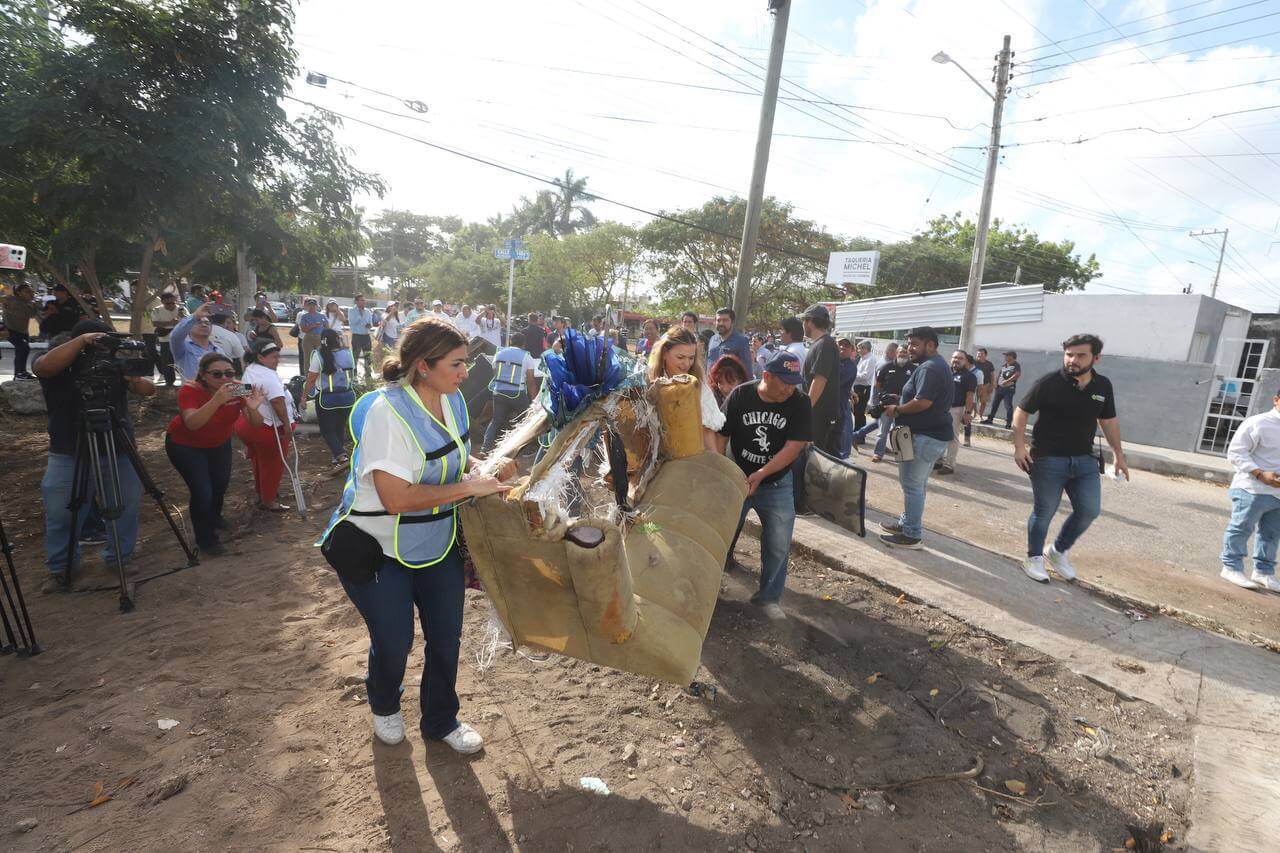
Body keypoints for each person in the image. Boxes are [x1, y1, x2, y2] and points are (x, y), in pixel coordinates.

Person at [321, 317, 517, 753]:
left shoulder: (455, 401)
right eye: (457, 364)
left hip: (437, 541)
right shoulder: (386, 414)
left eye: (465, 363)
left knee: (446, 636)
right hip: (377, 547)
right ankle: (385, 704)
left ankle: (441, 719)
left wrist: (483, 467)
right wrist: (470, 487)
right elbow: (396, 498)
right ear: (423, 366)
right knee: (394, 641)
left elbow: (456, 456)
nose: (466, 373)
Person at [35, 321, 156, 590]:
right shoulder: (58, 362)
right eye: (96, 342)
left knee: (125, 506)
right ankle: (62, 568)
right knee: (62, 513)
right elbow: (43, 366)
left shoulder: (113, 364)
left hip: (118, 448)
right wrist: (82, 341)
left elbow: (148, 389)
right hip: (69, 451)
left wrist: (132, 378)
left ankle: (119, 559)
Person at [1014, 333, 1128, 584]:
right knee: (1044, 512)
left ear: (1096, 358)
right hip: (1047, 458)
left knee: (1089, 510)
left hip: (1084, 460)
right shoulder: (1049, 382)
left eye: (1080, 355)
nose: (1072, 360)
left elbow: (1108, 421)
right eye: (1069, 354)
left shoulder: (1102, 386)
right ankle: (1032, 558)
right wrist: (1019, 447)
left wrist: (1118, 455)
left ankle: (1057, 551)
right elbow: (1021, 413)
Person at [716, 351, 811, 620]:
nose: (789, 389)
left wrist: (762, 473)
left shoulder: (800, 402)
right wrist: (723, 473)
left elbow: (795, 446)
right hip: (737, 479)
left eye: (794, 382)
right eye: (784, 382)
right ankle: (712, 589)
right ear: (767, 376)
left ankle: (768, 598)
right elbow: (721, 436)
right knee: (721, 534)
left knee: (778, 543)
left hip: (777, 482)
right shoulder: (740, 395)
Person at [166, 353, 267, 556]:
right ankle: (206, 540)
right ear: (203, 375)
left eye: (229, 373)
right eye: (217, 374)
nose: (225, 379)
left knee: (220, 484)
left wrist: (252, 407)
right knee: (202, 491)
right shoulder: (189, 389)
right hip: (185, 445)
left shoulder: (238, 388)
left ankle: (214, 517)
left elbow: (256, 423)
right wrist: (217, 400)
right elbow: (192, 423)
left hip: (218, 444)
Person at [878, 327, 953, 549]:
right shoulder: (933, 366)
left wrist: (898, 410)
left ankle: (911, 535)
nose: (910, 348)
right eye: (909, 343)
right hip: (919, 434)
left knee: (912, 485)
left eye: (915, 344)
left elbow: (923, 402)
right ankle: (907, 522)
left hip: (924, 436)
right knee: (915, 484)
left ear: (930, 345)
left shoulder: (930, 368)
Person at [1220, 390, 1280, 592]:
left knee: (1271, 535)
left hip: (1278, 494)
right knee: (1241, 528)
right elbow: (1236, 452)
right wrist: (1260, 474)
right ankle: (1231, 567)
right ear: (1276, 400)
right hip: (1252, 489)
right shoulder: (1258, 423)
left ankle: (1263, 572)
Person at [236, 338, 297, 511]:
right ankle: (268, 500)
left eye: (278, 356)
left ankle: (262, 492)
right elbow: (278, 402)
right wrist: (287, 427)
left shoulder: (251, 369)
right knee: (273, 464)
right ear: (260, 357)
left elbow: (243, 391)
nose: (277, 360)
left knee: (259, 460)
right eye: (273, 357)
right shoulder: (268, 375)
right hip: (267, 428)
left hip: (248, 424)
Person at [648, 327, 722, 451]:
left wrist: (714, 462)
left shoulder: (698, 384)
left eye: (691, 358)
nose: (686, 364)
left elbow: (707, 430)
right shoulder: (647, 379)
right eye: (680, 357)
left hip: (687, 456)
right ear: (665, 353)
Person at [304, 328, 357, 466]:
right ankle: (337, 457)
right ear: (337, 340)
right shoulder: (347, 353)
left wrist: (304, 397)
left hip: (326, 399)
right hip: (347, 397)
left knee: (327, 430)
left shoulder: (318, 355)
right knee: (339, 427)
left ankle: (341, 455)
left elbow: (310, 379)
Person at [852, 342, 912, 462]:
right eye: (901, 352)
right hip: (887, 404)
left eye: (905, 352)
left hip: (904, 405)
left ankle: (902, 454)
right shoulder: (886, 366)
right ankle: (878, 454)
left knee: (901, 430)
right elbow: (878, 384)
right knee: (882, 430)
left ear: (909, 354)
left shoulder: (914, 369)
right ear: (896, 353)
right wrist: (883, 397)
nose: (903, 354)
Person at [481, 338, 538, 452]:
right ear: (523, 345)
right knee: (525, 420)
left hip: (499, 392)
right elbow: (530, 380)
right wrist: (534, 398)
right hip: (517, 393)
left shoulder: (499, 353)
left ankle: (485, 447)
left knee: (496, 420)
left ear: (511, 342)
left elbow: (495, 372)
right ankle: (526, 449)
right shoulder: (526, 356)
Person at [938, 349, 977, 476]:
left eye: (960, 358)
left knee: (952, 437)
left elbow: (970, 396)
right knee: (939, 434)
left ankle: (949, 464)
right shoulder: (945, 372)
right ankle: (938, 460)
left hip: (956, 409)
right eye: (955, 357)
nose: (957, 360)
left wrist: (967, 412)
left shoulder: (969, 376)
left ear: (965, 361)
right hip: (941, 408)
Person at [169, 303, 225, 379]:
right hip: (193, 390)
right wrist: (195, 316)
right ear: (189, 327)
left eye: (207, 323)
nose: (204, 325)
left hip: (219, 390)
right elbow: (175, 337)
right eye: (199, 322)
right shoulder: (183, 349)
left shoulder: (219, 350)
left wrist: (244, 389)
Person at [146, 291, 185, 386]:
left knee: (182, 360)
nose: (171, 305)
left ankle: (186, 380)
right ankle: (169, 381)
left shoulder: (181, 309)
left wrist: (182, 316)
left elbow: (187, 320)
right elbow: (155, 323)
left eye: (173, 303)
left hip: (180, 339)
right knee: (167, 361)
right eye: (168, 303)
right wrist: (170, 323)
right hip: (165, 339)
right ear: (162, 302)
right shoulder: (157, 310)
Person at [3, 282, 39, 379]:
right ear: (19, 293)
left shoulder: (29, 303)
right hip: (11, 330)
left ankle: (20, 373)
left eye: (32, 292)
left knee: (23, 349)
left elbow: (32, 314)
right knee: (23, 348)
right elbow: (27, 313)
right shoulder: (12, 301)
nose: (31, 294)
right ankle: (20, 373)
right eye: (27, 292)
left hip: (22, 331)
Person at [984, 351, 1021, 428]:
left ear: (1012, 357)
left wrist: (1007, 381)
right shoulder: (1004, 365)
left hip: (1009, 389)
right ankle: (990, 419)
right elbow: (1000, 375)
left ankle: (1008, 423)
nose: (1005, 357)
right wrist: (996, 384)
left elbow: (1017, 375)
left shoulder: (1016, 365)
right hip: (999, 388)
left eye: (1007, 355)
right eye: (1005, 355)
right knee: (994, 405)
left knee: (1008, 406)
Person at [836, 338, 860, 459]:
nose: (842, 347)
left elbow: (835, 383)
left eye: (846, 345)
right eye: (840, 344)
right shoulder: (831, 361)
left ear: (852, 350)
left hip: (840, 406)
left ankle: (844, 457)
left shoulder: (851, 366)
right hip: (829, 405)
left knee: (845, 431)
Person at [970, 348, 996, 443]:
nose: (979, 356)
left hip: (986, 385)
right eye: (978, 354)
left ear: (985, 355)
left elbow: (992, 375)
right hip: (974, 384)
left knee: (983, 401)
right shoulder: (973, 362)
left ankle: (980, 415)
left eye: (981, 354)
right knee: (973, 400)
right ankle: (974, 414)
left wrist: (992, 386)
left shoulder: (989, 364)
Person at [347, 294, 375, 379]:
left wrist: (369, 325)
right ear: (356, 301)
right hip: (357, 336)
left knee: (368, 356)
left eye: (364, 300)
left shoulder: (368, 311)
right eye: (361, 300)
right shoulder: (351, 310)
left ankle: (368, 374)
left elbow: (371, 324)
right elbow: (353, 321)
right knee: (355, 356)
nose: (364, 302)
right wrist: (361, 314)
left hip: (366, 336)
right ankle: (354, 374)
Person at [297, 298, 326, 374]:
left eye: (313, 305)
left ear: (317, 306)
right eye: (310, 305)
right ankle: (307, 375)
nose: (312, 307)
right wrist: (313, 325)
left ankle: (320, 375)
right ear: (307, 306)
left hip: (319, 337)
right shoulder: (304, 316)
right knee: (308, 357)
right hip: (308, 337)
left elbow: (327, 327)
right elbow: (303, 329)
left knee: (320, 356)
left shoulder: (322, 316)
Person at [853, 340, 876, 431]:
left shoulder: (870, 359)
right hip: (858, 387)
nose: (858, 350)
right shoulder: (863, 358)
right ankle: (857, 432)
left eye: (859, 348)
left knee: (859, 411)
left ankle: (860, 434)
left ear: (865, 348)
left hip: (864, 388)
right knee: (856, 411)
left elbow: (865, 376)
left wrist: (853, 375)